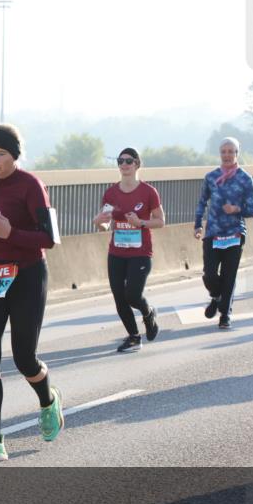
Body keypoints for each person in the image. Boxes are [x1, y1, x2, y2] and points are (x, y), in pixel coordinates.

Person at [0, 124, 64, 466]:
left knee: (24, 358)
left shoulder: (31, 185)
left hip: (27, 276)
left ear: (15, 155)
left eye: (1, 154)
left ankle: (48, 400)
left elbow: (49, 238)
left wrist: (11, 233)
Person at [92, 148, 165, 353]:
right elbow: (105, 224)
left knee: (132, 295)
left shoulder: (148, 192)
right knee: (119, 297)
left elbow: (161, 221)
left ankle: (148, 312)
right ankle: (134, 337)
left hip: (140, 253)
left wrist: (140, 222)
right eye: (121, 161)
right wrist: (98, 223)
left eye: (129, 161)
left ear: (137, 164)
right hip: (117, 252)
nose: (124, 165)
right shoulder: (111, 192)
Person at [194, 137, 253, 329]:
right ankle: (216, 296)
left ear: (237, 154)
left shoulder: (245, 179)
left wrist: (236, 209)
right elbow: (202, 202)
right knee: (210, 275)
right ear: (220, 154)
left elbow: (252, 210)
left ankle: (225, 315)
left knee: (229, 276)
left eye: (231, 151)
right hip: (213, 233)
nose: (227, 155)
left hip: (235, 233)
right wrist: (197, 225)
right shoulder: (211, 177)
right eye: (224, 152)